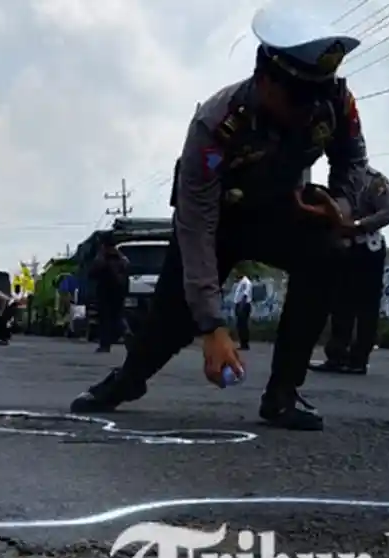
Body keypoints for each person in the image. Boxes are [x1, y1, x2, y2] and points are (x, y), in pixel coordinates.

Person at [69, 6, 370, 431]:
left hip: (278, 213)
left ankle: (283, 393)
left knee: (328, 251)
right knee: (172, 321)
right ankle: (129, 379)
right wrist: (212, 325)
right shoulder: (216, 124)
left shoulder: (333, 103)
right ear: (265, 81)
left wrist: (340, 205)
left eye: (315, 100)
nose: (308, 112)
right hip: (216, 221)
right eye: (298, 101)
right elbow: (196, 228)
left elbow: (353, 161)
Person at [312, 167, 389, 375]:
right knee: (340, 304)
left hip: (367, 247)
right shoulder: (338, 179)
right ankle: (337, 356)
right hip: (343, 248)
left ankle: (358, 359)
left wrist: (358, 225)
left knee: (366, 306)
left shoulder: (374, 180)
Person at [90, 235, 130, 353]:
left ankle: (105, 345)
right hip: (119, 291)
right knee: (118, 315)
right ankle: (126, 332)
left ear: (104, 245)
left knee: (105, 318)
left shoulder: (103, 256)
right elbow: (127, 269)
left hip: (105, 291)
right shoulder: (121, 257)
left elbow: (92, 272)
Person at [232, 275, 254, 350]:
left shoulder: (246, 282)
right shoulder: (241, 282)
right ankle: (242, 343)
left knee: (243, 325)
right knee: (240, 325)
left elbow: (245, 295)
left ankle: (245, 344)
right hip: (240, 305)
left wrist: (241, 307)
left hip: (244, 305)